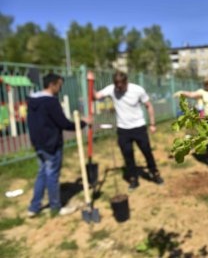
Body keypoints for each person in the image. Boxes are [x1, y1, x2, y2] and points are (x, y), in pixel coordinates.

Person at [27, 73, 92, 217]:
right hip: (51, 145)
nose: (60, 88)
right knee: (52, 175)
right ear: (52, 85)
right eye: (59, 85)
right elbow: (64, 123)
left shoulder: (32, 101)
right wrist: (83, 122)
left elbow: (31, 123)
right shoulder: (51, 102)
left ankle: (33, 207)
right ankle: (56, 207)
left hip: (39, 144)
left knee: (42, 173)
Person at [95, 71, 163, 190]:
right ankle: (133, 179)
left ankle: (155, 173)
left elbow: (149, 105)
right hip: (123, 129)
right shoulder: (111, 89)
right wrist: (89, 82)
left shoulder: (137, 90)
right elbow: (95, 97)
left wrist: (152, 124)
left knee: (146, 151)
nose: (119, 87)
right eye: (117, 85)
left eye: (121, 84)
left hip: (139, 127)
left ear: (126, 81)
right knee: (127, 155)